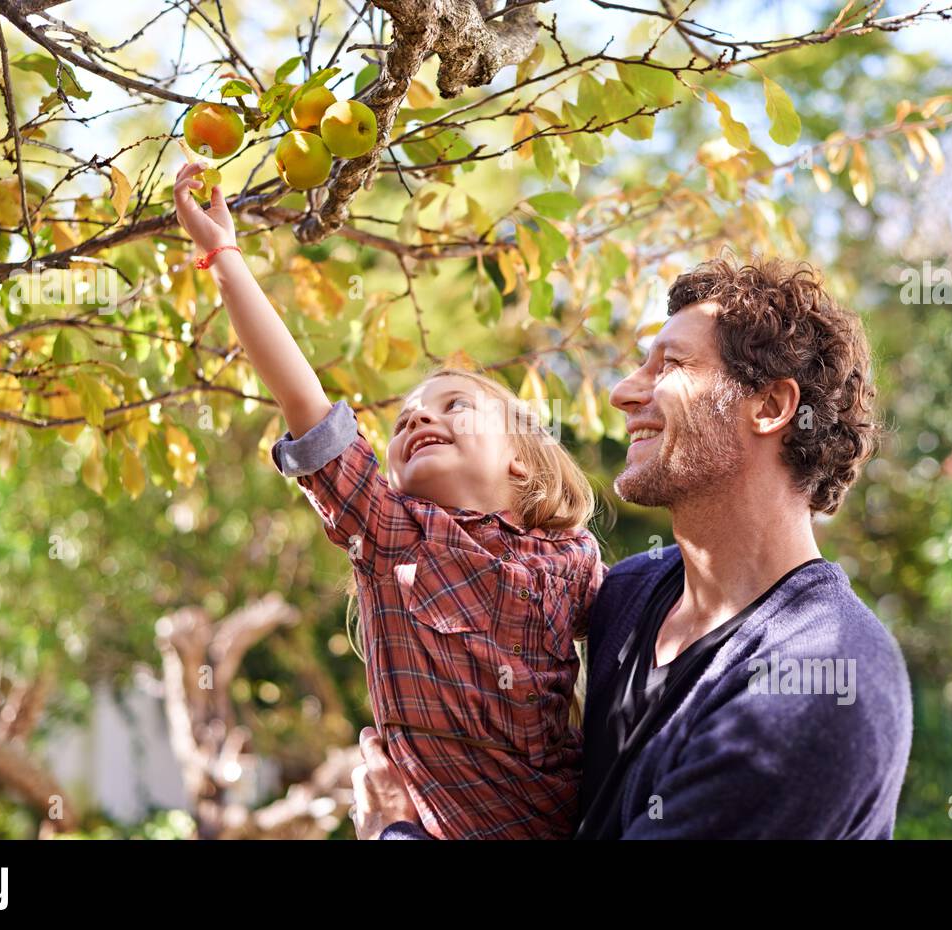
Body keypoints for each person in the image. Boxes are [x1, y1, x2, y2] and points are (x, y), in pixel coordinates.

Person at [353, 253, 914, 839]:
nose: (623, 393)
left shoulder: (818, 683)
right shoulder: (624, 596)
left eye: (670, 365)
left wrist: (395, 832)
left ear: (769, 407)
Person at [172, 160, 604, 839]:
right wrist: (224, 254)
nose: (415, 419)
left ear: (522, 457)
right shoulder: (391, 534)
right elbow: (305, 404)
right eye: (403, 417)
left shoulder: (573, 559)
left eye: (452, 403)